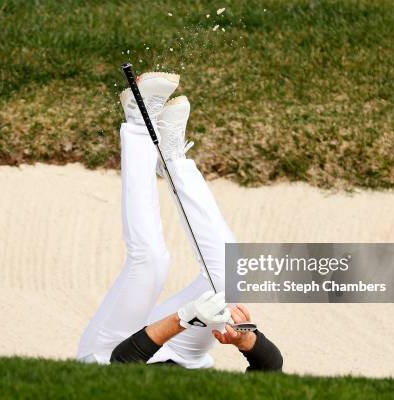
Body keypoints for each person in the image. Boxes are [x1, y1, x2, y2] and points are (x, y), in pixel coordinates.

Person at [77, 72, 282, 371]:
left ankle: (138, 121)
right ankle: (172, 158)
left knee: (151, 262)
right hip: (185, 357)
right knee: (230, 274)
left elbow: (123, 362)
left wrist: (183, 319)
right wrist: (245, 338)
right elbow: (271, 371)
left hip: (107, 357)